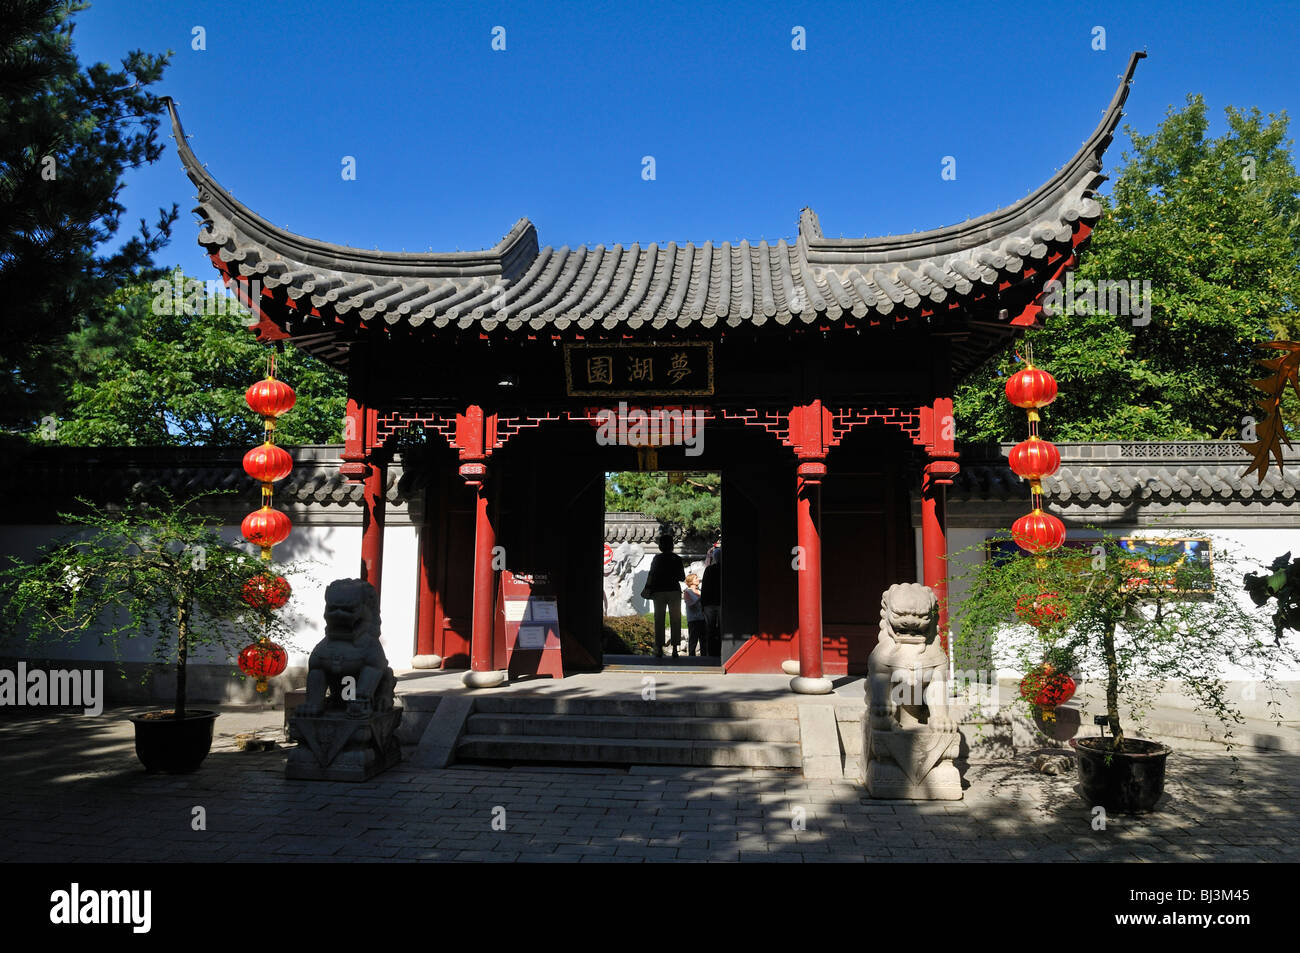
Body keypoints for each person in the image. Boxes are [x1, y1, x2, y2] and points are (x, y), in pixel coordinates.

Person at [646, 533, 685, 658]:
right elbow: (682, 577)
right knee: (676, 619)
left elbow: (651, 575)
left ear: (661, 546)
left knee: (659, 619)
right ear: (672, 545)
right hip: (674, 590)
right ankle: (674, 649)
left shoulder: (657, 559)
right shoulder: (677, 559)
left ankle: (658, 648)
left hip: (659, 591)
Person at [700, 546, 721, 657]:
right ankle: (722, 651)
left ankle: (711, 652)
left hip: (709, 603)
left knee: (710, 629)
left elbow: (705, 588)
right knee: (723, 629)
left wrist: (702, 604)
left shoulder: (709, 569)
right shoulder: (725, 570)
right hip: (722, 602)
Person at [683, 572, 706, 657]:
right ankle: (691, 659)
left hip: (702, 619)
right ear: (691, 581)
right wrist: (699, 599)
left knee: (704, 641)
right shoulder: (687, 592)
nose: (698, 579)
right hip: (693, 620)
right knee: (693, 641)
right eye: (695, 578)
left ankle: (704, 659)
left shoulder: (700, 591)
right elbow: (690, 604)